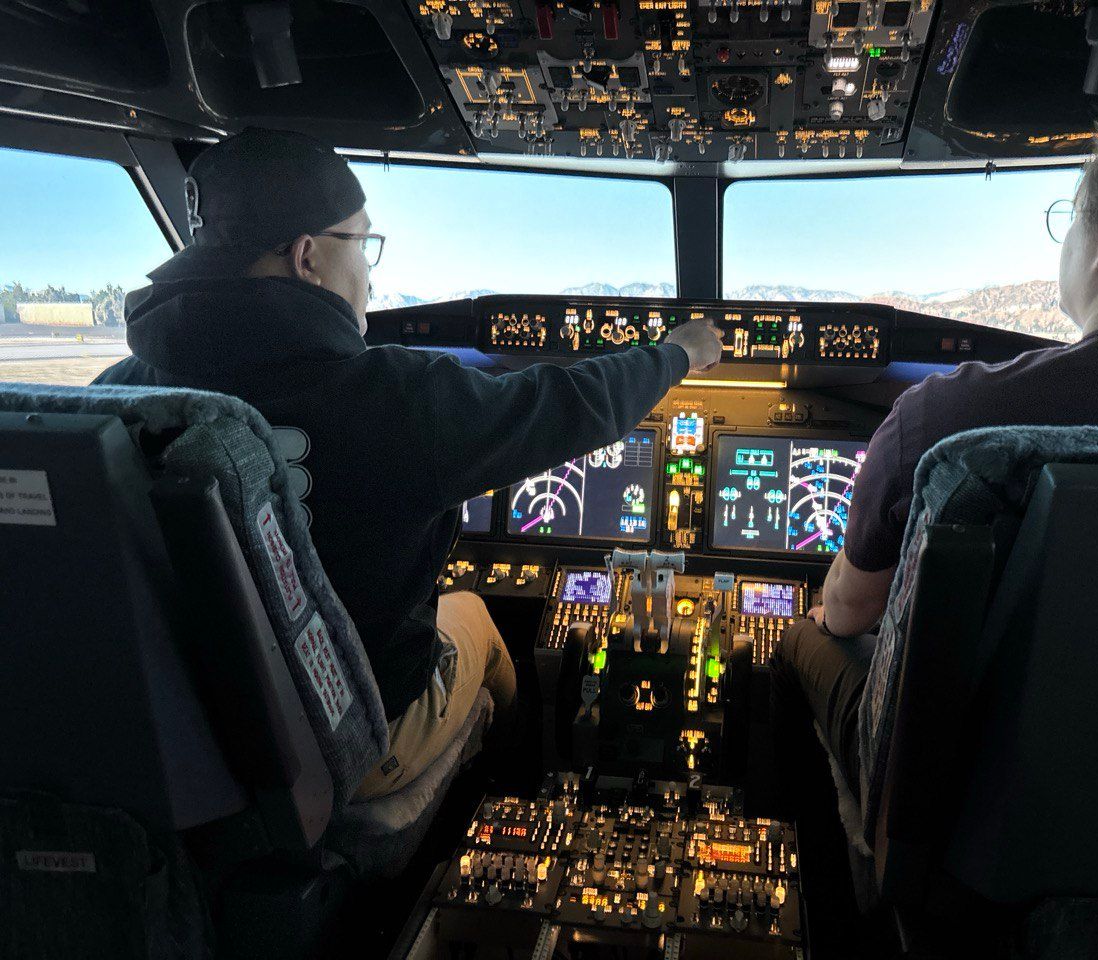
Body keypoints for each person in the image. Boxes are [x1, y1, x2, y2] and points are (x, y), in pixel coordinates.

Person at [94, 128, 725, 799]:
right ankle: (509, 791)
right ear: (309, 256)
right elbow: (567, 407)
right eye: (361, 243)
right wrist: (676, 354)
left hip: (185, 744)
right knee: (477, 620)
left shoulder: (120, 392)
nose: (367, 268)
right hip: (352, 735)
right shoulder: (395, 398)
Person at [771, 85, 1098, 806]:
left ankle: (828, 870)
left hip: (960, 818)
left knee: (804, 636)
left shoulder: (949, 420)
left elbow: (851, 613)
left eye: (1069, 221)